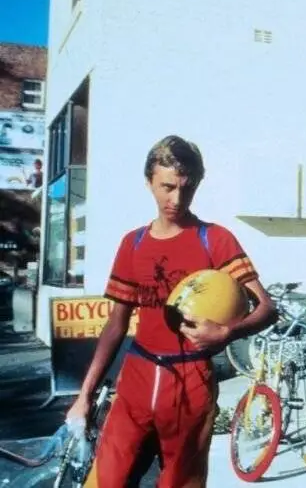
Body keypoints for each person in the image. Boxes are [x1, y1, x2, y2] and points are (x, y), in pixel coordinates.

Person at [66, 135, 276, 488]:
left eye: (186, 188)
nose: (176, 199)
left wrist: (227, 333)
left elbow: (268, 308)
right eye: (167, 187)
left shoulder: (215, 239)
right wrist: (84, 396)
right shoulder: (133, 243)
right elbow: (115, 326)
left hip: (190, 380)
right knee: (107, 479)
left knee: (181, 482)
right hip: (138, 375)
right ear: (149, 182)